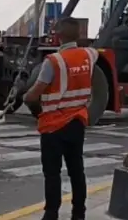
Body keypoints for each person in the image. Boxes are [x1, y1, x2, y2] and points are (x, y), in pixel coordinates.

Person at [23, 16, 98, 220]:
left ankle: (51, 214)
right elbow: (93, 54)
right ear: (79, 35)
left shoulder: (53, 62)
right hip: (77, 123)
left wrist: (23, 96)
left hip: (53, 126)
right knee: (76, 170)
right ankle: (79, 214)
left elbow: (34, 94)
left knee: (52, 173)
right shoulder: (90, 55)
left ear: (58, 36)